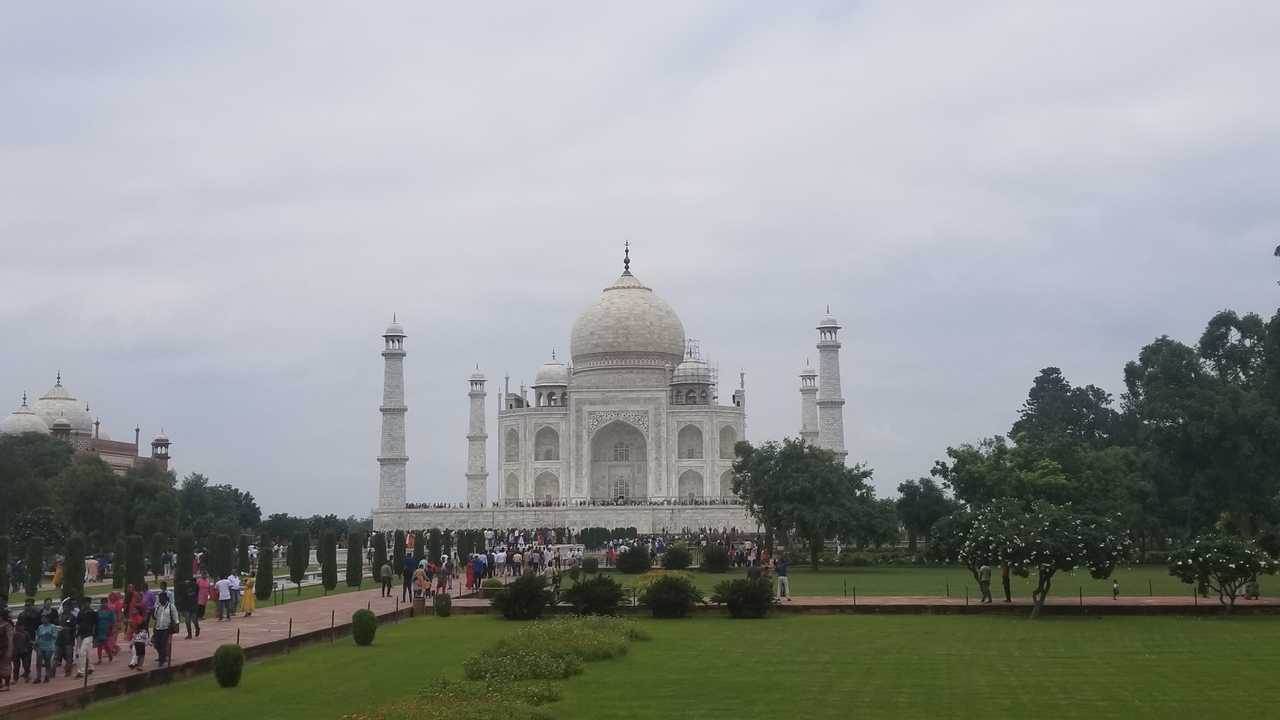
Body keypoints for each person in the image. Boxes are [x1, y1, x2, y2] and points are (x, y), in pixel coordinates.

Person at [152, 592, 178, 666]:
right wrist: (154, 628)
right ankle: (163, 655)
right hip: (158, 628)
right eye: (160, 599)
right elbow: (156, 618)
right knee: (157, 644)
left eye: (162, 599)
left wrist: (176, 626)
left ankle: (161, 659)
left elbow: (176, 618)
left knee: (163, 644)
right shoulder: (157, 607)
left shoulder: (171, 607)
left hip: (166, 628)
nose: (161, 601)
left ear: (166, 599)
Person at [74, 597, 98, 678]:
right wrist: (77, 626)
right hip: (80, 634)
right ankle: (90, 667)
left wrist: (95, 636)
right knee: (85, 652)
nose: (84, 605)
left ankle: (81, 671)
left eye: (85, 603)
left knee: (82, 652)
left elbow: (97, 625)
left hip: (89, 635)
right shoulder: (80, 613)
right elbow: (77, 622)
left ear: (89, 603)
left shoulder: (93, 614)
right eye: (83, 603)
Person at [33, 613, 56, 684]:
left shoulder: (52, 627)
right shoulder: (40, 627)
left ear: (48, 619)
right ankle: (38, 677)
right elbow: (38, 636)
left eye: (44, 618)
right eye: (42, 619)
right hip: (41, 646)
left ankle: (47, 676)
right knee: (38, 662)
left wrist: (50, 634)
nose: (42, 620)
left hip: (49, 647)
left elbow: (55, 636)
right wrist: (36, 641)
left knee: (47, 661)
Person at [0, 609, 14, 691]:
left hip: (5, 649)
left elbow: (10, 639)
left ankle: (7, 684)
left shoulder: (8, 626)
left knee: (5, 667)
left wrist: (9, 650)